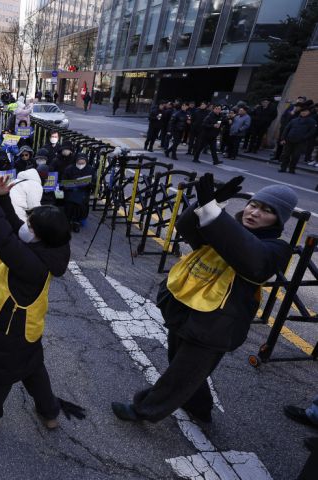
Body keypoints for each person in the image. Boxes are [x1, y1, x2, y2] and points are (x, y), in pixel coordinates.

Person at [112, 177, 296, 424]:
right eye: (254, 204)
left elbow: (252, 259)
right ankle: (200, 407)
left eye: (267, 211)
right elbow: (187, 227)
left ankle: (142, 410)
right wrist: (211, 202)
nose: (254, 213)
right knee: (185, 366)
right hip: (187, 308)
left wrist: (213, 213)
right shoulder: (224, 226)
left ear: (279, 220)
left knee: (182, 373)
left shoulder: (276, 248)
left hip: (218, 323)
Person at [0, 169, 85, 431]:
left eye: (32, 226)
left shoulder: (31, 263)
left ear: (41, 235)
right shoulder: (51, 248)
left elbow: (4, 238)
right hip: (28, 328)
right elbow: (15, 229)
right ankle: (49, 412)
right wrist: (0, 199)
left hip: (8, 328)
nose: (26, 227)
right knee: (33, 368)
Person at [279, 106, 318, 173]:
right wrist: (283, 138)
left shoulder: (312, 121)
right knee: (286, 155)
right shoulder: (294, 120)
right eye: (302, 111)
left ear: (308, 112)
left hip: (301, 142)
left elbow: (312, 132)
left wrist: (304, 137)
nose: (303, 113)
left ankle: (292, 169)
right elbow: (286, 129)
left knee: (296, 156)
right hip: (289, 140)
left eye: (305, 111)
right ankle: (283, 168)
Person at [62, 152, 94, 232]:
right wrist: (69, 185)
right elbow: (64, 181)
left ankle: (77, 222)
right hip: (70, 190)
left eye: (83, 161)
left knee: (80, 203)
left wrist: (88, 184)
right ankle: (68, 221)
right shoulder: (69, 168)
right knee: (70, 203)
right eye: (79, 161)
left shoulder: (90, 169)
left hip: (83, 191)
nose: (81, 163)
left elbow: (93, 183)